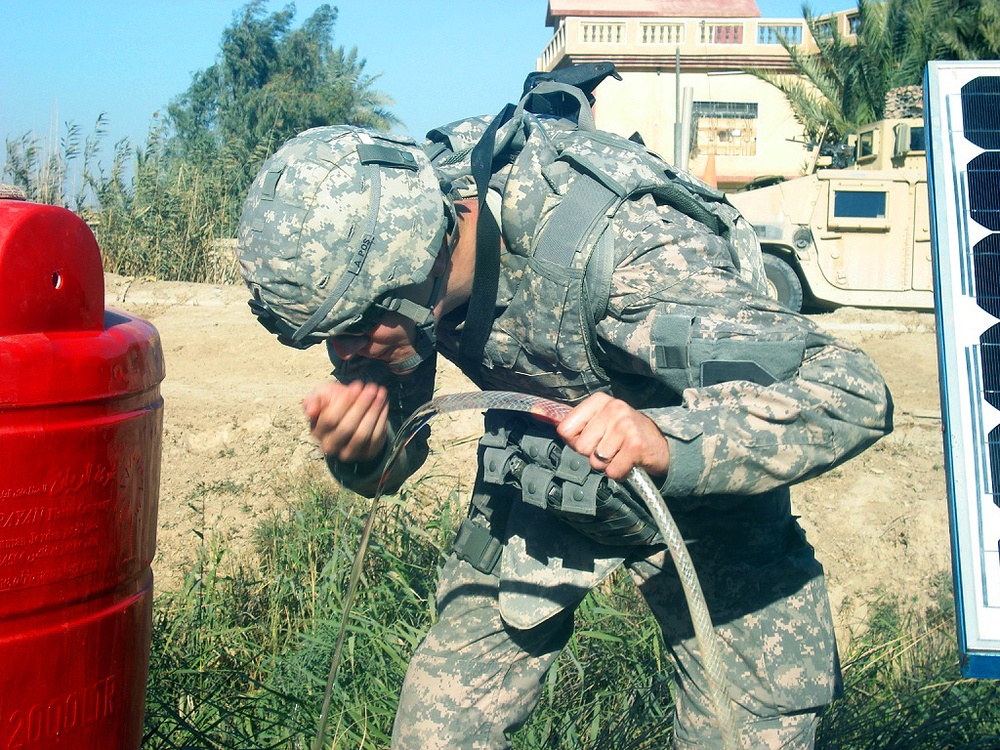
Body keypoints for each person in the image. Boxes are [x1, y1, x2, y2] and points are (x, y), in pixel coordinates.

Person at [236, 72, 893, 750]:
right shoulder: (389, 258)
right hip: (541, 476)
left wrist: (663, 440)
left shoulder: (625, 266)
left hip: (704, 498)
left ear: (423, 260)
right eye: (325, 337)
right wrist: (366, 450)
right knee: (436, 734)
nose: (344, 353)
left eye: (354, 328)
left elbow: (844, 389)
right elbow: (395, 464)